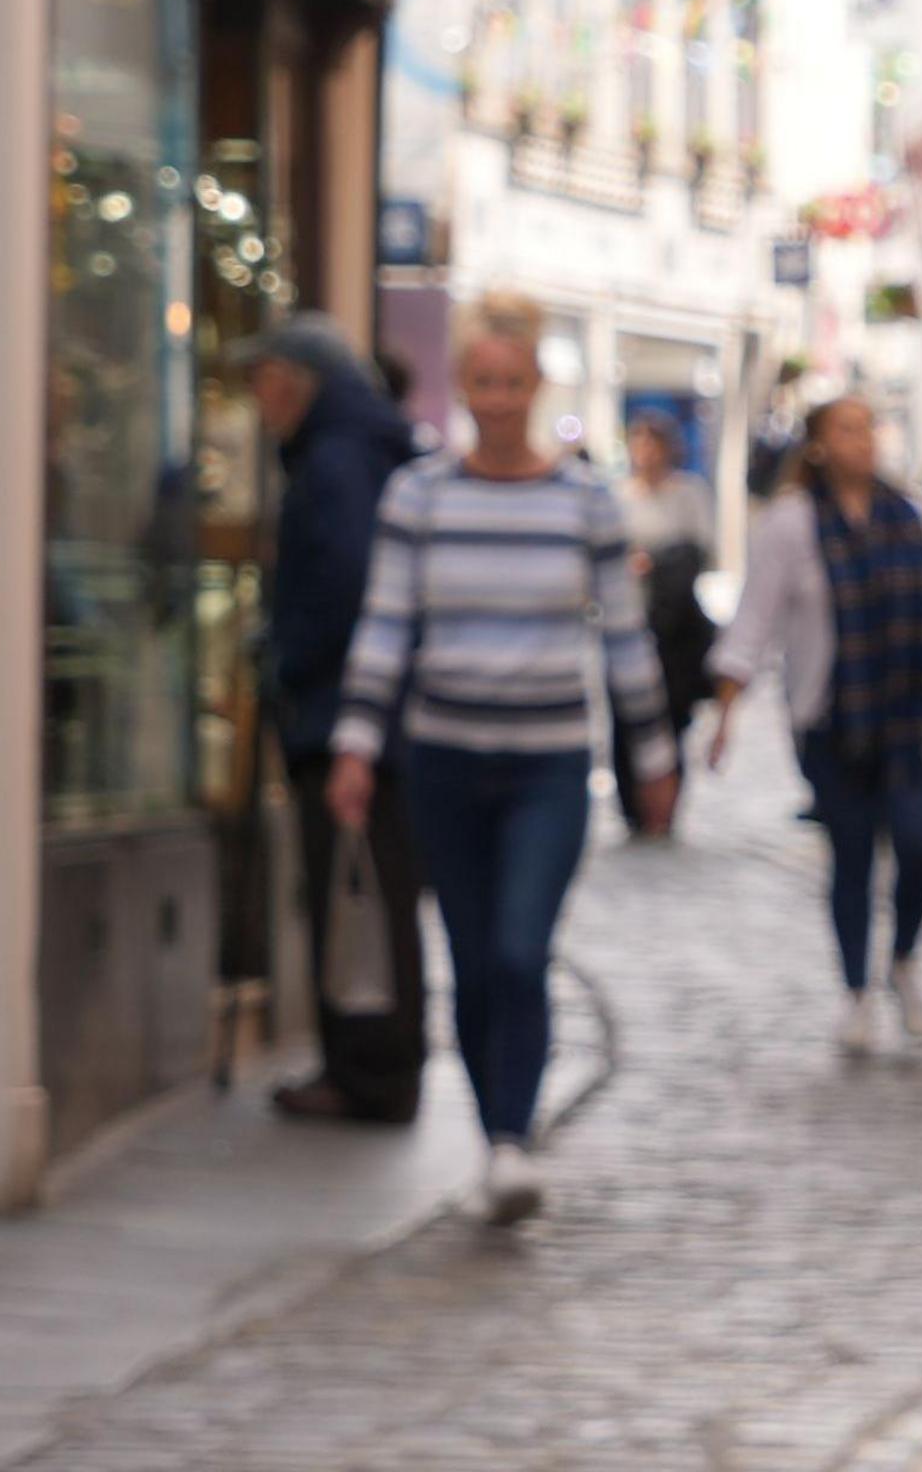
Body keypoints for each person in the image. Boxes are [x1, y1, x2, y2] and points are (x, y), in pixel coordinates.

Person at [331, 294, 676, 1222]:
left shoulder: (585, 503)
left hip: (547, 768)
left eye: (510, 382)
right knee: (474, 962)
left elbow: (625, 639)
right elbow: (387, 626)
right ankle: (497, 1140)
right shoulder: (420, 496)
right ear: (463, 388)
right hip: (444, 763)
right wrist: (358, 744)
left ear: (534, 388)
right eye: (479, 382)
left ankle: (514, 1138)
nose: (494, 397)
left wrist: (653, 754)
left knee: (522, 954)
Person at [711, 395, 922, 1055]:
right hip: (831, 717)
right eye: (847, 429)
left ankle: (902, 959)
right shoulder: (791, 523)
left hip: (914, 710)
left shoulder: (920, 515)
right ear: (818, 444)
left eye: (869, 428)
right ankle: (855, 992)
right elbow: (755, 620)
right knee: (853, 854)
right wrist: (726, 710)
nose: (863, 440)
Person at [242, 314, 426, 1126]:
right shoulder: (350, 448)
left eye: (264, 383)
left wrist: (291, 657)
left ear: (295, 382)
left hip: (343, 716)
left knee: (355, 887)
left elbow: (351, 585)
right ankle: (368, 1063)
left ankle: (369, 1069)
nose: (257, 403)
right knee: (365, 888)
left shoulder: (337, 459)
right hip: (358, 709)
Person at [619, 415, 719, 834]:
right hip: (630, 622)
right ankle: (634, 807)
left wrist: (657, 562)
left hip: (676, 629)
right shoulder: (619, 497)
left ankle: (667, 802)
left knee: (672, 718)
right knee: (626, 718)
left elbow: (703, 550)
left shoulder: (688, 494)